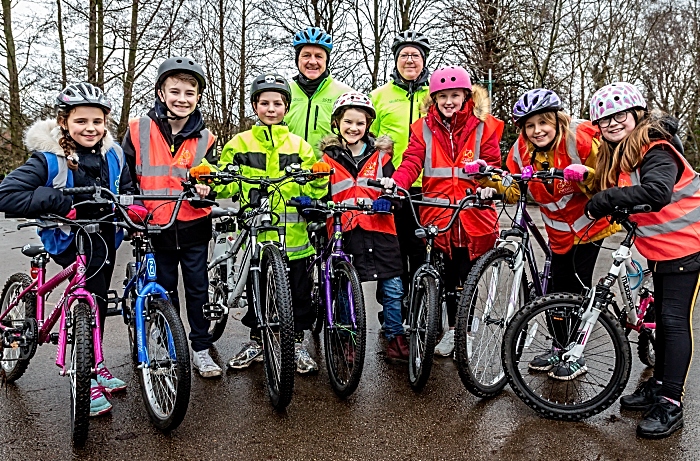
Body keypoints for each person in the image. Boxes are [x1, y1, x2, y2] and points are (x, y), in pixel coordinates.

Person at [0, 82, 136, 416]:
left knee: (99, 302)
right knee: (81, 303)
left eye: (97, 121)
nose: (90, 128)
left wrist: (135, 208)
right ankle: (83, 373)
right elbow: (7, 194)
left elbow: (128, 187)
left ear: (105, 123)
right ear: (64, 122)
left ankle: (95, 362)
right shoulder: (48, 158)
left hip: (104, 236)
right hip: (67, 238)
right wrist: (58, 200)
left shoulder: (115, 154)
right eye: (81, 121)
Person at [466, 88, 618, 380]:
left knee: (575, 286)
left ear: (558, 121)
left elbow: (607, 181)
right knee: (555, 289)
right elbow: (513, 191)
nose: (537, 131)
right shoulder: (519, 152)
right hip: (559, 232)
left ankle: (575, 352)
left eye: (543, 123)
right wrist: (487, 178)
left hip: (592, 225)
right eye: (530, 126)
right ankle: (560, 346)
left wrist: (585, 175)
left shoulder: (581, 140)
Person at [584, 82, 698, 439]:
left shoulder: (655, 147)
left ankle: (670, 402)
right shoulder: (621, 154)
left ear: (636, 114)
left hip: (689, 246)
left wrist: (608, 199)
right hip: (663, 249)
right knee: (661, 322)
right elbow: (640, 199)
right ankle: (658, 384)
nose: (613, 123)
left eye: (619, 115)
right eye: (604, 120)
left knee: (673, 321)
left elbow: (657, 192)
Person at [379, 66, 504, 357]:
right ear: (434, 98)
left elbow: (493, 163)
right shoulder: (422, 128)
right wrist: (397, 184)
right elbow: (411, 161)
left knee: (467, 276)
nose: (449, 101)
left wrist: (488, 182)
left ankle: (468, 332)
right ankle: (450, 330)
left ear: (465, 95)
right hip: (438, 211)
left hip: (472, 210)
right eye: (443, 96)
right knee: (445, 278)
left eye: (455, 95)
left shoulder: (485, 126)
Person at [211, 73, 330, 374]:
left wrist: (317, 178)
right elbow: (226, 186)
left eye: (278, 103)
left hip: (294, 237)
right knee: (258, 288)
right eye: (264, 102)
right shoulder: (239, 142)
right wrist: (216, 177)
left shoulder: (299, 145)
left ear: (286, 107)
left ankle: (298, 343)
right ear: (254, 105)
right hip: (258, 233)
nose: (271, 108)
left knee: (299, 292)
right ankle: (259, 340)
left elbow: (313, 189)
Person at [122, 57, 222, 378]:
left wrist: (207, 189)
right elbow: (125, 178)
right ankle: (167, 345)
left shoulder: (205, 138)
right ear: (161, 93)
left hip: (193, 225)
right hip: (154, 227)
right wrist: (130, 211)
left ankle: (200, 348)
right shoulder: (138, 130)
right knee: (163, 289)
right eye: (175, 91)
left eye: (190, 93)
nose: (182, 98)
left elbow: (212, 178)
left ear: (198, 98)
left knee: (197, 289)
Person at [319, 91, 408, 359]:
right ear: (337, 123)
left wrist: (389, 200)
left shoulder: (382, 158)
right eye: (348, 122)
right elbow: (320, 191)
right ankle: (347, 338)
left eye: (360, 123)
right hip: (345, 233)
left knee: (393, 288)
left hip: (381, 232)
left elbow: (397, 191)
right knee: (345, 290)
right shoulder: (327, 159)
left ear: (368, 125)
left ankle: (395, 335)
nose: (353, 128)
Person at [370, 30, 431, 324]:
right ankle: (393, 312)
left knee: (421, 252)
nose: (409, 60)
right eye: (404, 55)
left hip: (427, 186)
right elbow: (371, 140)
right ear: (395, 61)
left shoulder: (434, 94)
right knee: (392, 254)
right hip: (390, 185)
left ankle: (421, 314)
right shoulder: (380, 96)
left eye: (415, 55)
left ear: (424, 61)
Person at [285, 27, 354, 158]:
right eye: (306, 55)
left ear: (326, 61)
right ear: (297, 59)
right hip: (288, 173)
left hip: (331, 173)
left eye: (318, 56)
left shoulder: (346, 94)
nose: (312, 61)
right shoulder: (284, 92)